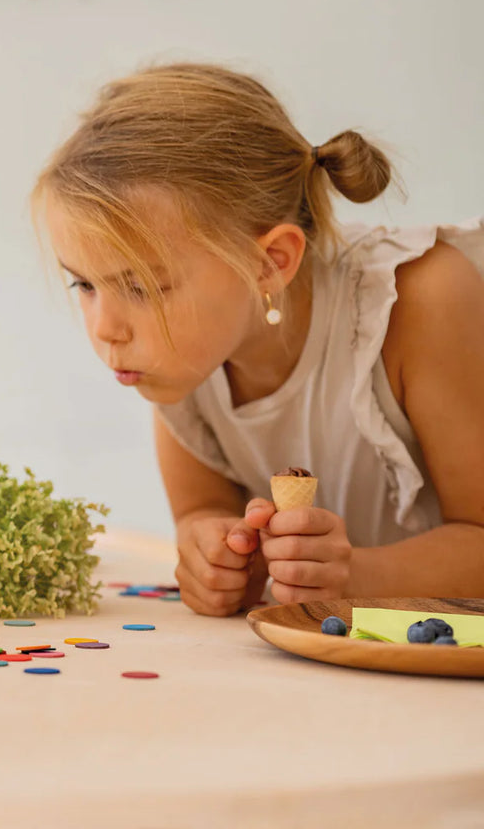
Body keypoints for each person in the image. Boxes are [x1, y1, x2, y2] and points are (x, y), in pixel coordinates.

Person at [32, 63, 484, 616]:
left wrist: (357, 576)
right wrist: (213, 554)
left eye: (142, 287)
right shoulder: (185, 365)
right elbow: (201, 509)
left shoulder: (417, 299)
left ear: (270, 263)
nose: (105, 329)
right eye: (83, 284)